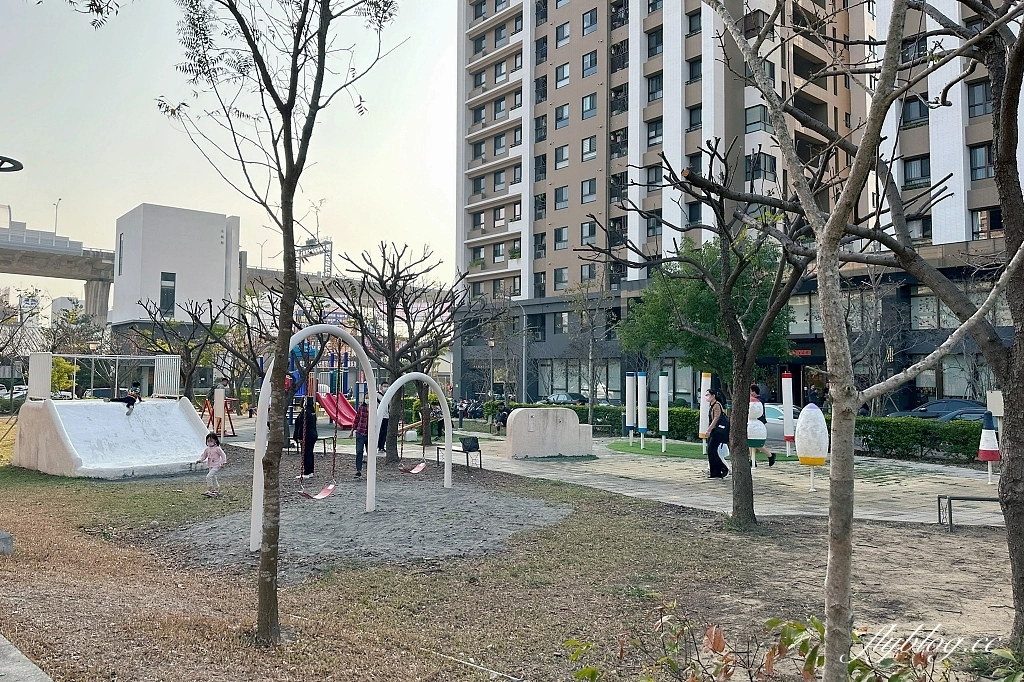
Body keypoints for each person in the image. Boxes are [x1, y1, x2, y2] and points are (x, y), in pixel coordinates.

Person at [750, 384, 776, 467]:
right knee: (750, 442)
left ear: (754, 392)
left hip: (758, 423)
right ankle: (752, 460)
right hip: (753, 423)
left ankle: (770, 455)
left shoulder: (758, 401)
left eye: (750, 391)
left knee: (757, 443)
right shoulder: (757, 400)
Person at [706, 389, 730, 479]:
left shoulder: (717, 405)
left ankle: (722, 468)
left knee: (712, 451)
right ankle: (715, 472)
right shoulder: (712, 405)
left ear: (713, 396)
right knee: (711, 451)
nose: (706, 397)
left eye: (708, 395)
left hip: (717, 432)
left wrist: (709, 430)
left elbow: (716, 418)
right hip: (715, 431)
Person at [293, 396, 318, 479]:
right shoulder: (312, 411)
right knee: (310, 453)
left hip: (307, 435)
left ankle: (306, 472)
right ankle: (310, 471)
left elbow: (302, 426)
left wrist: (300, 437)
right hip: (313, 434)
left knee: (306, 453)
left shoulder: (305, 412)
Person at [196, 432, 228, 497]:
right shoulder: (207, 449)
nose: (209, 442)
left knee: (208, 476)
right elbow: (204, 456)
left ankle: (209, 489)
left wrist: (223, 462)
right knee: (213, 477)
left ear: (215, 440)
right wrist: (200, 460)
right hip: (210, 465)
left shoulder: (218, 449)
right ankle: (217, 488)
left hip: (217, 465)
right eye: (208, 441)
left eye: (211, 441)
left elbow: (223, 455)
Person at [349, 398, 369, 478]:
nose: (367, 399)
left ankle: (370, 471)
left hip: (370, 434)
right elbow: (357, 419)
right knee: (359, 451)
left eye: (368, 397)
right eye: (366, 398)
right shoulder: (361, 407)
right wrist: (352, 431)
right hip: (360, 432)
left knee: (370, 453)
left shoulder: (375, 407)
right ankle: (358, 470)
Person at [376, 381, 390, 453]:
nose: (386, 388)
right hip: (379, 416)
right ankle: (378, 446)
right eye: (384, 386)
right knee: (380, 432)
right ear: (381, 387)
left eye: (387, 386)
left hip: (386, 417)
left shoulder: (388, 395)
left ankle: (382, 446)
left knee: (384, 432)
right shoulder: (377, 395)